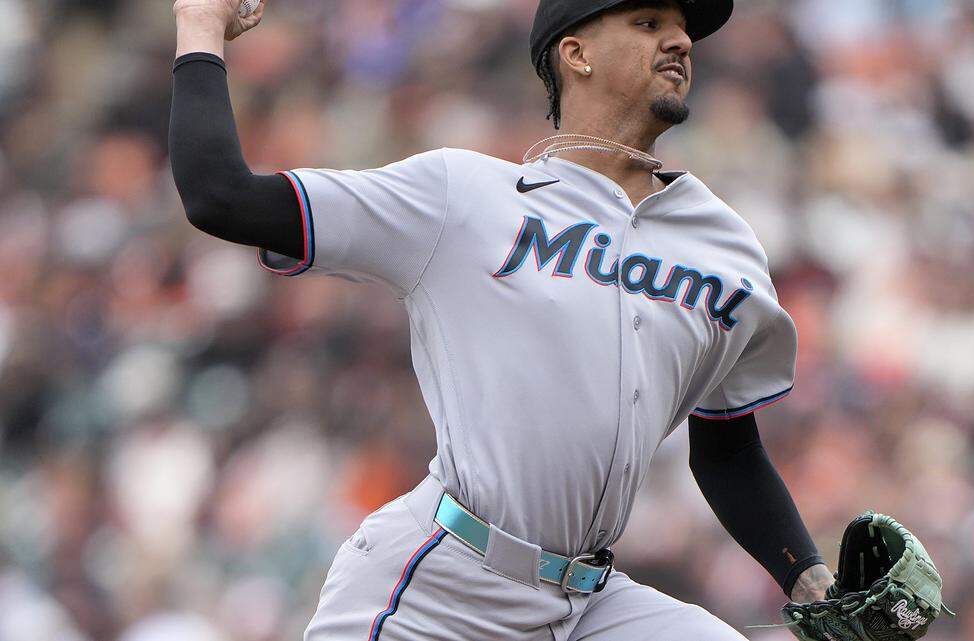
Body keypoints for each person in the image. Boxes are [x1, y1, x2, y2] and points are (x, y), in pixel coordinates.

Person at [168, 0, 837, 638]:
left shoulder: (724, 245)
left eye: (683, 26)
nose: (681, 39)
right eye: (648, 21)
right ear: (575, 53)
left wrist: (809, 578)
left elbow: (728, 449)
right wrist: (199, 22)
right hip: (440, 585)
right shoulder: (463, 197)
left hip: (587, 603)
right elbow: (221, 196)